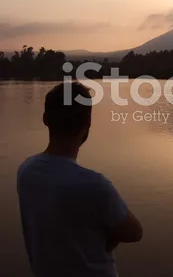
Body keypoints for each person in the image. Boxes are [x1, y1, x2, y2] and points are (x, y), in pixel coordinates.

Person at [17, 82, 143, 277]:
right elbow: (135, 232)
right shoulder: (95, 186)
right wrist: (110, 237)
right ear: (87, 124)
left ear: (45, 119)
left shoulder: (26, 171)